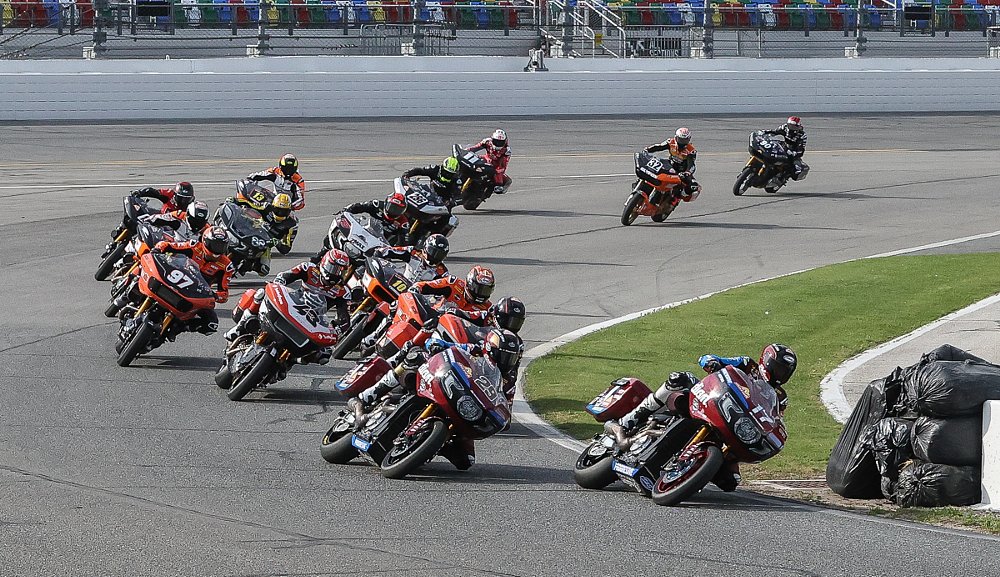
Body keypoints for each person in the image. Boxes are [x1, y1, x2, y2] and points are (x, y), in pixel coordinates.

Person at [605, 343, 798, 491]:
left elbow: (773, 419)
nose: (781, 374)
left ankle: (692, 470)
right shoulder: (747, 364)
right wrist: (711, 362)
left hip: (735, 423)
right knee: (679, 379)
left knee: (731, 482)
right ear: (767, 361)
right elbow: (709, 359)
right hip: (712, 400)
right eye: (779, 368)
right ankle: (630, 419)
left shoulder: (781, 397)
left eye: (786, 371)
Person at [348, 327, 523, 469]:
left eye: (511, 357)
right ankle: (370, 395)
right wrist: (437, 345)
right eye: (503, 354)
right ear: (489, 348)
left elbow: (506, 410)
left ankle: (430, 444)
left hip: (466, 410)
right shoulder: (475, 349)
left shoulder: (509, 381)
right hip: (446, 386)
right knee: (414, 359)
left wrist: (500, 418)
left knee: (466, 461)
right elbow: (447, 346)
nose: (506, 360)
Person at [226, 250, 353, 364]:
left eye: (341, 271)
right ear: (325, 263)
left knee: (324, 355)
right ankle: (239, 328)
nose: (336, 273)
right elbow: (285, 276)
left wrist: (336, 329)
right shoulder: (309, 268)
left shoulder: (343, 291)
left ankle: (292, 360)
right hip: (294, 303)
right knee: (260, 293)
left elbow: (344, 317)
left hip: (313, 319)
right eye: (333, 268)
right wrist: (278, 283)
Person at [148, 226, 233, 335]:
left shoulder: (226, 266)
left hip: (195, 293)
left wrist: (215, 295)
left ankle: (179, 328)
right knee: (146, 269)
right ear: (205, 242)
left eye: (221, 247)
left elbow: (224, 293)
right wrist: (158, 249)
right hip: (175, 278)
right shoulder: (194, 246)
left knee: (211, 324)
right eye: (215, 245)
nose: (217, 250)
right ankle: (128, 290)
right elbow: (168, 245)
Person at [411, 265, 495, 313]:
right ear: (470, 284)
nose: (481, 294)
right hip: (435, 318)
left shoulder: (488, 308)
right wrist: (417, 288)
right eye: (478, 289)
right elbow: (427, 285)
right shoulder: (454, 284)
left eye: (486, 291)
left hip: (458, 337)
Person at [342, 191, 411, 246]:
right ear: (386, 203)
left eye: (398, 210)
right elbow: (359, 206)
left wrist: (394, 250)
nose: (393, 211)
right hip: (365, 233)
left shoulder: (403, 223)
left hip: (381, 246)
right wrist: (346, 210)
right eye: (392, 207)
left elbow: (404, 243)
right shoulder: (377, 205)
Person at [372, 234, 450, 281]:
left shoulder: (442, 272)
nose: (435, 256)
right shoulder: (414, 253)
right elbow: (392, 250)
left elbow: (447, 287)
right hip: (399, 286)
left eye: (439, 254)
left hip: (417, 301)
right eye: (433, 251)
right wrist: (380, 252)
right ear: (426, 247)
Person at [762, 116, 809, 192]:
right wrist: (764, 132)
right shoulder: (784, 127)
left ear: (798, 126)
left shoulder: (802, 135)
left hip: (794, 151)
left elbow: (801, 148)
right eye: (790, 125)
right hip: (784, 147)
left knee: (794, 168)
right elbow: (775, 132)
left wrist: (795, 153)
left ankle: (782, 178)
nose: (792, 127)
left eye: (794, 126)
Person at [467, 129, 511, 194]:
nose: (498, 144)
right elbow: (476, 147)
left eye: (500, 142)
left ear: (505, 141)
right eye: (496, 141)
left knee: (499, 180)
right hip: (486, 158)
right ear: (492, 139)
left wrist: (497, 171)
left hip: (496, 165)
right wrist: (466, 150)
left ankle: (495, 186)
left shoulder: (506, 150)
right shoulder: (487, 142)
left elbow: (504, 165)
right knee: (472, 159)